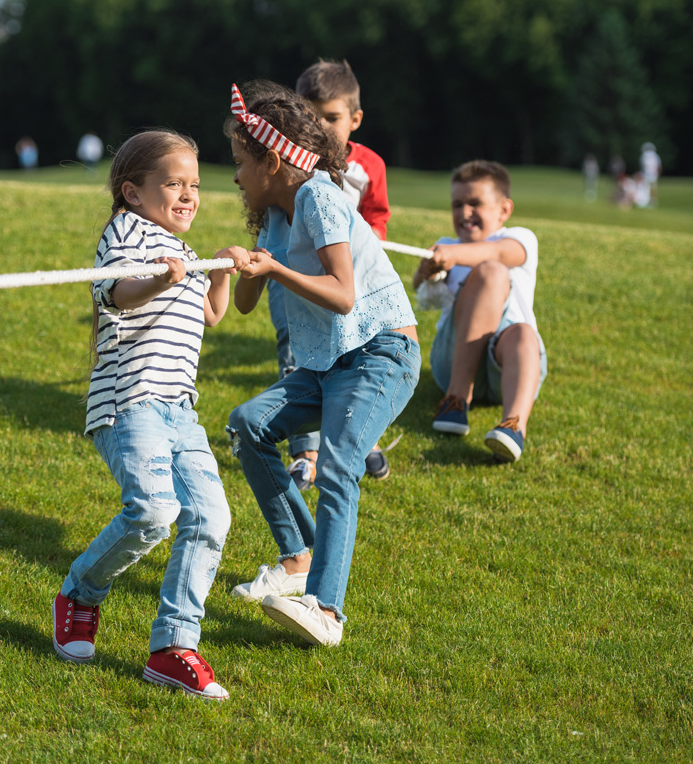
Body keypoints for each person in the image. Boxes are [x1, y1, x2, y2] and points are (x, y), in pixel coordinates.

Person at [51, 130, 250, 701]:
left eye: (194, 184)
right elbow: (117, 293)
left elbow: (211, 316)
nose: (188, 195)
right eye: (173, 184)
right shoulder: (127, 232)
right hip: (129, 404)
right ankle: (80, 595)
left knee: (211, 520)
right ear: (133, 192)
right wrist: (161, 278)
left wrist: (220, 272)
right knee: (154, 512)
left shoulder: (184, 250)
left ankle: (172, 648)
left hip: (181, 412)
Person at [225, 82, 420, 647]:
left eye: (242, 163)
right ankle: (298, 559)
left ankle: (327, 612)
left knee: (336, 464)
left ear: (272, 158)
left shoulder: (319, 197)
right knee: (248, 424)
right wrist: (239, 266)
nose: (236, 177)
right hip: (326, 363)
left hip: (380, 352)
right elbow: (244, 303)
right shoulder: (272, 216)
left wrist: (275, 271)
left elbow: (342, 294)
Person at [271, 59, 393, 493]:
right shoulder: (289, 162)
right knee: (298, 354)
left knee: (357, 356)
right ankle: (305, 453)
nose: (320, 125)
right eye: (310, 114)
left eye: (332, 117)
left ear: (355, 119)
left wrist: (370, 238)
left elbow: (377, 216)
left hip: (349, 284)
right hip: (293, 277)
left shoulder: (369, 167)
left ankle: (360, 439)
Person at [414, 160, 547, 463]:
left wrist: (451, 256)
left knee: (519, 323)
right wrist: (426, 272)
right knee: (488, 274)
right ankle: (455, 399)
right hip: (453, 361)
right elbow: (422, 293)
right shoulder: (445, 247)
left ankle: (513, 426)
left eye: (475, 203)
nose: (464, 212)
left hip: (510, 367)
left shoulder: (520, 238)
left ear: (504, 210)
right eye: (457, 204)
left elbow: (498, 254)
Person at [639, 142, 662, 208]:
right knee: (647, 188)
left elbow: (658, 167)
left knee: (652, 188)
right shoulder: (653, 156)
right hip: (648, 174)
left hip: (652, 174)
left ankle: (652, 201)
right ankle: (647, 200)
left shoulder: (652, 156)